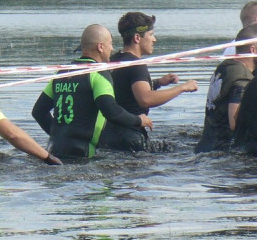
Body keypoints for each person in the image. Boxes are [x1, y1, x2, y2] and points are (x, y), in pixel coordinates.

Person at [32, 25, 153, 160]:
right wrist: (138, 120)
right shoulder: (99, 75)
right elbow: (111, 111)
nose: (112, 49)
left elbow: (38, 111)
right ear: (100, 47)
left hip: (54, 149)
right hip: (82, 152)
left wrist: (60, 135)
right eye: (111, 44)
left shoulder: (61, 73)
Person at [102, 12, 197, 152]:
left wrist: (158, 83)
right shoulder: (137, 65)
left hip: (109, 136)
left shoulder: (115, 59)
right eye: (151, 34)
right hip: (131, 137)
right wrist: (182, 88)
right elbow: (145, 99)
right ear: (137, 38)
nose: (154, 39)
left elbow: (124, 89)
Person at [196, 24, 257, 153]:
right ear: (253, 49)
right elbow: (234, 123)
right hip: (221, 152)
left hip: (205, 145)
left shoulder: (225, 66)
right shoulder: (242, 78)